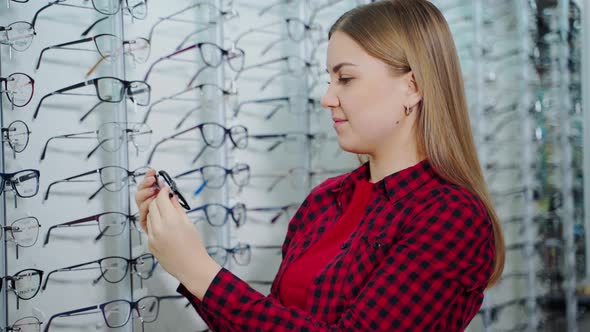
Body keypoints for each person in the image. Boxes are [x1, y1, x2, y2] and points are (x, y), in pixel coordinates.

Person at [134, 0, 505, 330]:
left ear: (412, 87)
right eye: (329, 79)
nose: (328, 98)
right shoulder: (325, 201)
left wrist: (199, 271)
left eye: (345, 78)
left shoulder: (451, 216)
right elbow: (269, 321)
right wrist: (182, 257)